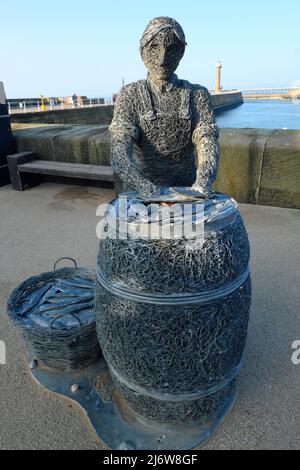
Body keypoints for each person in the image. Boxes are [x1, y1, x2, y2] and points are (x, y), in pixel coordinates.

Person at [109, 16, 219, 197]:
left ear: (181, 53)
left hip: (187, 192)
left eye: (172, 49)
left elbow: (207, 141)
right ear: (142, 52)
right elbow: (119, 151)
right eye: (154, 47)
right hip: (140, 194)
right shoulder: (130, 95)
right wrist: (142, 186)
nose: (162, 58)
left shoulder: (197, 95)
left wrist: (203, 181)